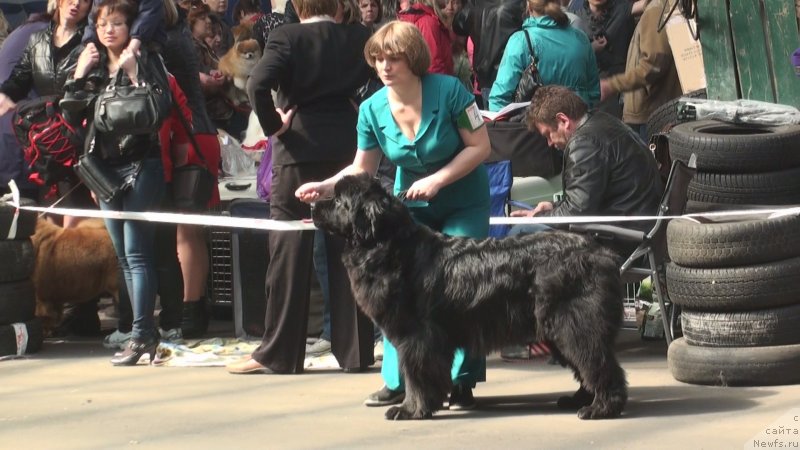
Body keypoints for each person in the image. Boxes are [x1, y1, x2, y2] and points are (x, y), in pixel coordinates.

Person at [295, 21, 491, 410]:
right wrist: (327, 186)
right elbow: (361, 167)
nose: (384, 66)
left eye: (393, 58)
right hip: (410, 207)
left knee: (465, 290)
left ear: (413, 58)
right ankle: (398, 381)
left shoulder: (452, 91)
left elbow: (481, 146)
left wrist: (437, 179)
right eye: (378, 58)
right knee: (394, 291)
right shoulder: (370, 108)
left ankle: (461, 381)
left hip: (462, 197)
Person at [225, 0, 375, 375]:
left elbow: (258, 82)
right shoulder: (359, 36)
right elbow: (380, 76)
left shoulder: (286, 36)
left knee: (289, 248)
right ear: (339, 6)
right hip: (347, 144)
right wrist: (362, 107)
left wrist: (274, 124)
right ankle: (356, 352)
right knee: (351, 246)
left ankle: (279, 352)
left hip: (297, 147)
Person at [63, 0, 171, 365]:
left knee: (138, 253)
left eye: (119, 23)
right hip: (104, 168)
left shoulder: (148, 58)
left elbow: (160, 109)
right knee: (124, 256)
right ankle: (144, 333)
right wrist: (79, 73)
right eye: (104, 23)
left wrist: (136, 72)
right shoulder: (90, 60)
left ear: (131, 28)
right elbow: (69, 111)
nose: (110, 29)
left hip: (142, 164)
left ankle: (141, 336)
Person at [510, 85, 663, 238]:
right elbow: (584, 200)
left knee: (519, 233)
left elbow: (577, 214)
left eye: (548, 134)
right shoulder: (601, 121)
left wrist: (537, 218)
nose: (549, 143)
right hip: (636, 224)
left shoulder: (584, 144)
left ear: (563, 120)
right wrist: (552, 207)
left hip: (621, 236)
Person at [0, 0, 94, 227]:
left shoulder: (90, 44)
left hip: (76, 138)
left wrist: (80, 74)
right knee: (47, 222)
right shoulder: (37, 40)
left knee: (74, 220)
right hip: (47, 142)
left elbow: (90, 93)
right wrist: (4, 94)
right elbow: (19, 80)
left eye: (85, 1)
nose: (76, 3)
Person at [488, 0, 599, 111]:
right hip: (578, 123)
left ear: (529, 6)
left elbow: (499, 99)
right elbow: (594, 94)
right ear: (559, 4)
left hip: (534, 125)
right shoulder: (581, 38)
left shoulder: (520, 41)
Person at [599, 0, 682, 140]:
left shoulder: (655, 10)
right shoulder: (661, 6)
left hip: (651, 111)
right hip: (658, 109)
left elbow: (653, 64)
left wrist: (612, 85)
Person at [397, 0, 453, 75]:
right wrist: (444, 85)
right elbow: (433, 64)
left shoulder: (426, 17)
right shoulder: (427, 22)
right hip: (436, 82)